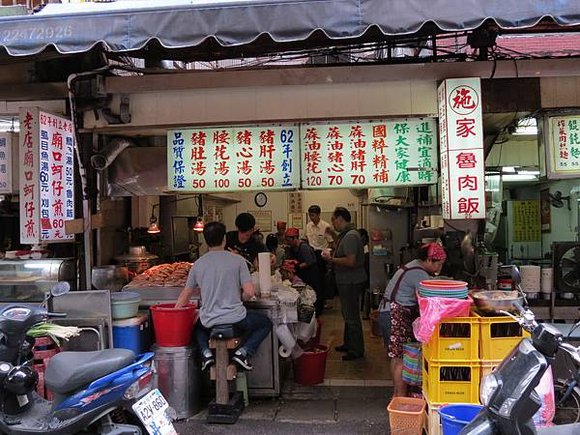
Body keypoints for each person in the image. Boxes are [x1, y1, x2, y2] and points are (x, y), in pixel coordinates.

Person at [175, 221, 272, 372]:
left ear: (206, 241)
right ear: (224, 239)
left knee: (197, 328)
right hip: (236, 318)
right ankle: (243, 353)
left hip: (210, 320)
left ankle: (206, 354)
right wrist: (241, 298)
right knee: (265, 323)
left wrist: (176, 313)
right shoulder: (238, 260)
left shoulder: (198, 264)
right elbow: (250, 292)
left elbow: (185, 295)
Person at [384, 242, 447, 397]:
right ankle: (401, 397)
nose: (439, 268)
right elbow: (429, 297)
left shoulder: (414, 266)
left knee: (396, 356)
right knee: (400, 358)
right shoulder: (419, 273)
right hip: (395, 314)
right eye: (438, 264)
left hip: (388, 312)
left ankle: (397, 395)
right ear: (429, 260)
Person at [322, 207, 366, 361]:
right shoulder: (346, 234)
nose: (333, 223)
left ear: (340, 219)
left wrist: (331, 260)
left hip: (351, 281)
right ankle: (349, 343)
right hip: (346, 280)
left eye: (334, 220)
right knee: (347, 314)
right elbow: (341, 246)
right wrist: (333, 234)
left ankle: (356, 349)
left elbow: (350, 260)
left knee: (351, 315)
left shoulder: (351, 236)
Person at [285, 227, 324, 315]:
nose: (288, 242)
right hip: (302, 274)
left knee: (314, 293)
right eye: (287, 240)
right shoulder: (292, 248)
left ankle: (316, 314)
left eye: (289, 240)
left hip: (311, 273)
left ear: (295, 238)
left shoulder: (304, 247)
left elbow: (310, 261)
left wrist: (298, 266)